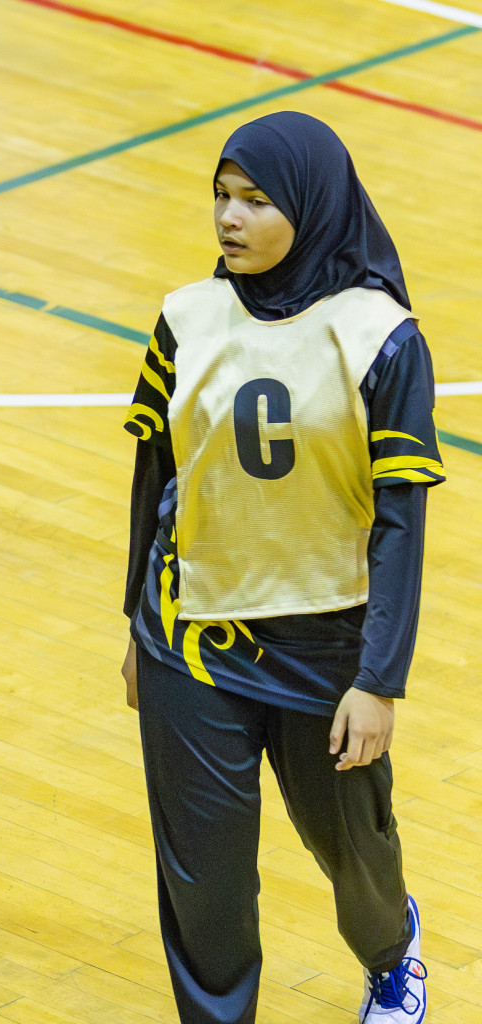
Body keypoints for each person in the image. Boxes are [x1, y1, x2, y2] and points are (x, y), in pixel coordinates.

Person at [121, 110, 441, 1024]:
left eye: (256, 200)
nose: (229, 218)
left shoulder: (380, 338)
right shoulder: (186, 318)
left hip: (328, 650)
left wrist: (379, 681)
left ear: (312, 205)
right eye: (221, 196)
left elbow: (400, 526)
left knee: (354, 857)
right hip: (190, 638)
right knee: (203, 878)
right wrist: (135, 629)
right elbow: (157, 480)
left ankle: (392, 950)